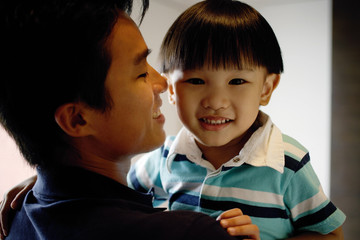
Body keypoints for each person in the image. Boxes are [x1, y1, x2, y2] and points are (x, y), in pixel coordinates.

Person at [0, 0, 255, 239]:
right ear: (77, 119)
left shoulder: (16, 215)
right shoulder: (192, 233)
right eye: (142, 73)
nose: (163, 83)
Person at [126, 0, 346, 239]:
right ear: (171, 90)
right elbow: (122, 210)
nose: (216, 101)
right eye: (196, 81)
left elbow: (331, 234)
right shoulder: (162, 159)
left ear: (266, 89)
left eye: (237, 81)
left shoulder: (288, 163)